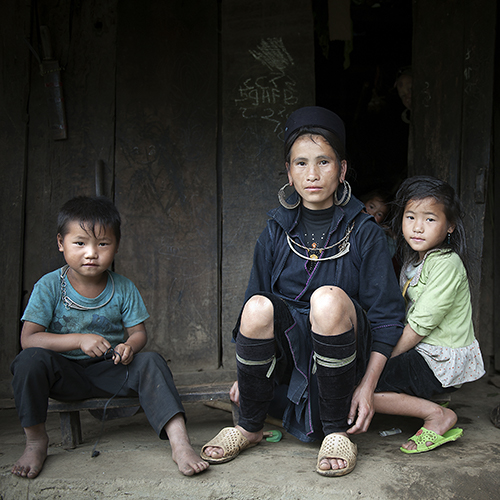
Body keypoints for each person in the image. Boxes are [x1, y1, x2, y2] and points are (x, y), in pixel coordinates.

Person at [201, 106, 405, 476]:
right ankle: (249, 427)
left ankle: (336, 432)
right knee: (259, 305)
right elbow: (253, 308)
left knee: (325, 299)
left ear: (341, 170)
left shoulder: (364, 232)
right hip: (290, 355)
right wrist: (248, 377)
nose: (312, 174)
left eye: (324, 162)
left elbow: (388, 320)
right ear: (289, 173)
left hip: (344, 351)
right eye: (301, 164)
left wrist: (367, 386)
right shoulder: (276, 231)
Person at [10, 196, 209, 478]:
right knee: (28, 361)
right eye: (80, 243)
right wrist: (78, 340)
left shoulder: (123, 288)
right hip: (63, 375)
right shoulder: (50, 286)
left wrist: (128, 346)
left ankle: (180, 443)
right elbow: (29, 339)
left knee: (151, 361)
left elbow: (139, 333)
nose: (91, 253)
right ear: (60, 243)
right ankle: (35, 441)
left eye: (102, 244)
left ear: (116, 245)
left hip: (111, 371)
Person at [374, 176, 485, 453]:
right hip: (423, 351)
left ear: (450, 226)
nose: (418, 227)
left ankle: (437, 415)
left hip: (438, 356)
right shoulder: (414, 259)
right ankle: (433, 399)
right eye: (410, 217)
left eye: (430, 219)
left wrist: (379, 361)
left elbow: (418, 327)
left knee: (362, 387)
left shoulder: (447, 264)